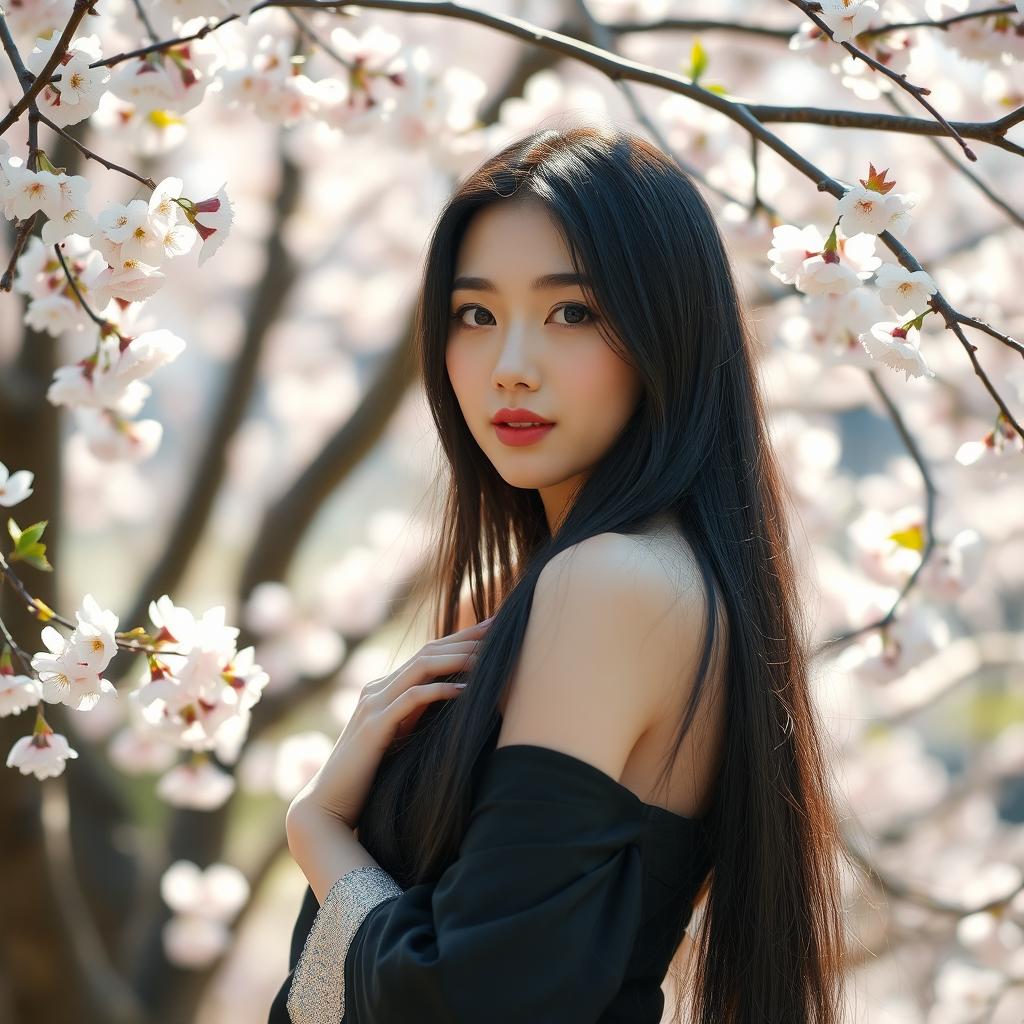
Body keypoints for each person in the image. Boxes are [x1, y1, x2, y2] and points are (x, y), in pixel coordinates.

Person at [268, 119, 848, 1024]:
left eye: (572, 312)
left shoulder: (611, 586)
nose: (510, 368)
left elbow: (469, 1004)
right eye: (476, 315)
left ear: (670, 334)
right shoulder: (584, 588)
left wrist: (317, 828)